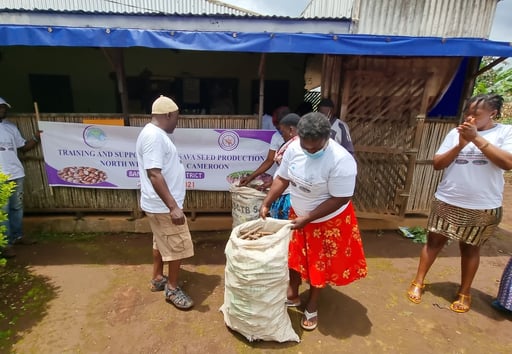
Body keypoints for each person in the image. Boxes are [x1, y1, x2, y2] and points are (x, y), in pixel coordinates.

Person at [259, 112, 367, 331]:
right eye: (305, 146)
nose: (309, 151)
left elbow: (341, 197)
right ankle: (293, 292)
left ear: (327, 138)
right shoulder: (294, 148)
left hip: (327, 220)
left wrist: (308, 218)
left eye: (315, 148)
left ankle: (313, 303)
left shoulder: (341, 160)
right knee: (294, 256)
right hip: (298, 214)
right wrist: (267, 202)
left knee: (318, 263)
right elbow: (282, 177)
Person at [407, 94, 512, 313]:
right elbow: (437, 164)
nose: (469, 118)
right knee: (433, 242)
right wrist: (459, 145)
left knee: (470, 248)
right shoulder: (455, 133)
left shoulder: (505, 132)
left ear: (492, 113)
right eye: (468, 112)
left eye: (476, 114)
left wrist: (476, 139)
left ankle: (465, 292)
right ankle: (418, 281)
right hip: (448, 198)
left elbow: (507, 162)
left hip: (482, 204)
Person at [136, 95, 194, 310]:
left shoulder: (153, 133)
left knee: (160, 241)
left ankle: (158, 278)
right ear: (168, 114)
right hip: (163, 207)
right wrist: (173, 207)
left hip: (158, 206)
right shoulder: (154, 137)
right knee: (178, 246)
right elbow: (154, 174)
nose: (177, 122)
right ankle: (171, 288)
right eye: (177, 117)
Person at [0, 97, 40, 258]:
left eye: (4, 107)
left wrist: (37, 138)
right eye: (0, 107)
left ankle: (17, 236)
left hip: (16, 174)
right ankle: (5, 244)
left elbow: (23, 147)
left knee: (16, 207)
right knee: (2, 211)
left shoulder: (11, 127)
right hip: (1, 176)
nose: (3, 110)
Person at [238, 106, 290, 189]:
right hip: (282, 183)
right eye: (277, 129)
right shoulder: (276, 137)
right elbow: (269, 160)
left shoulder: (300, 140)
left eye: (281, 129)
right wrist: (250, 177)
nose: (280, 132)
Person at [268, 113, 300, 219]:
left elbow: (290, 175)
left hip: (290, 194)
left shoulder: (297, 147)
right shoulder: (290, 144)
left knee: (286, 227)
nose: (281, 135)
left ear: (291, 130)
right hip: (283, 191)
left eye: (282, 131)